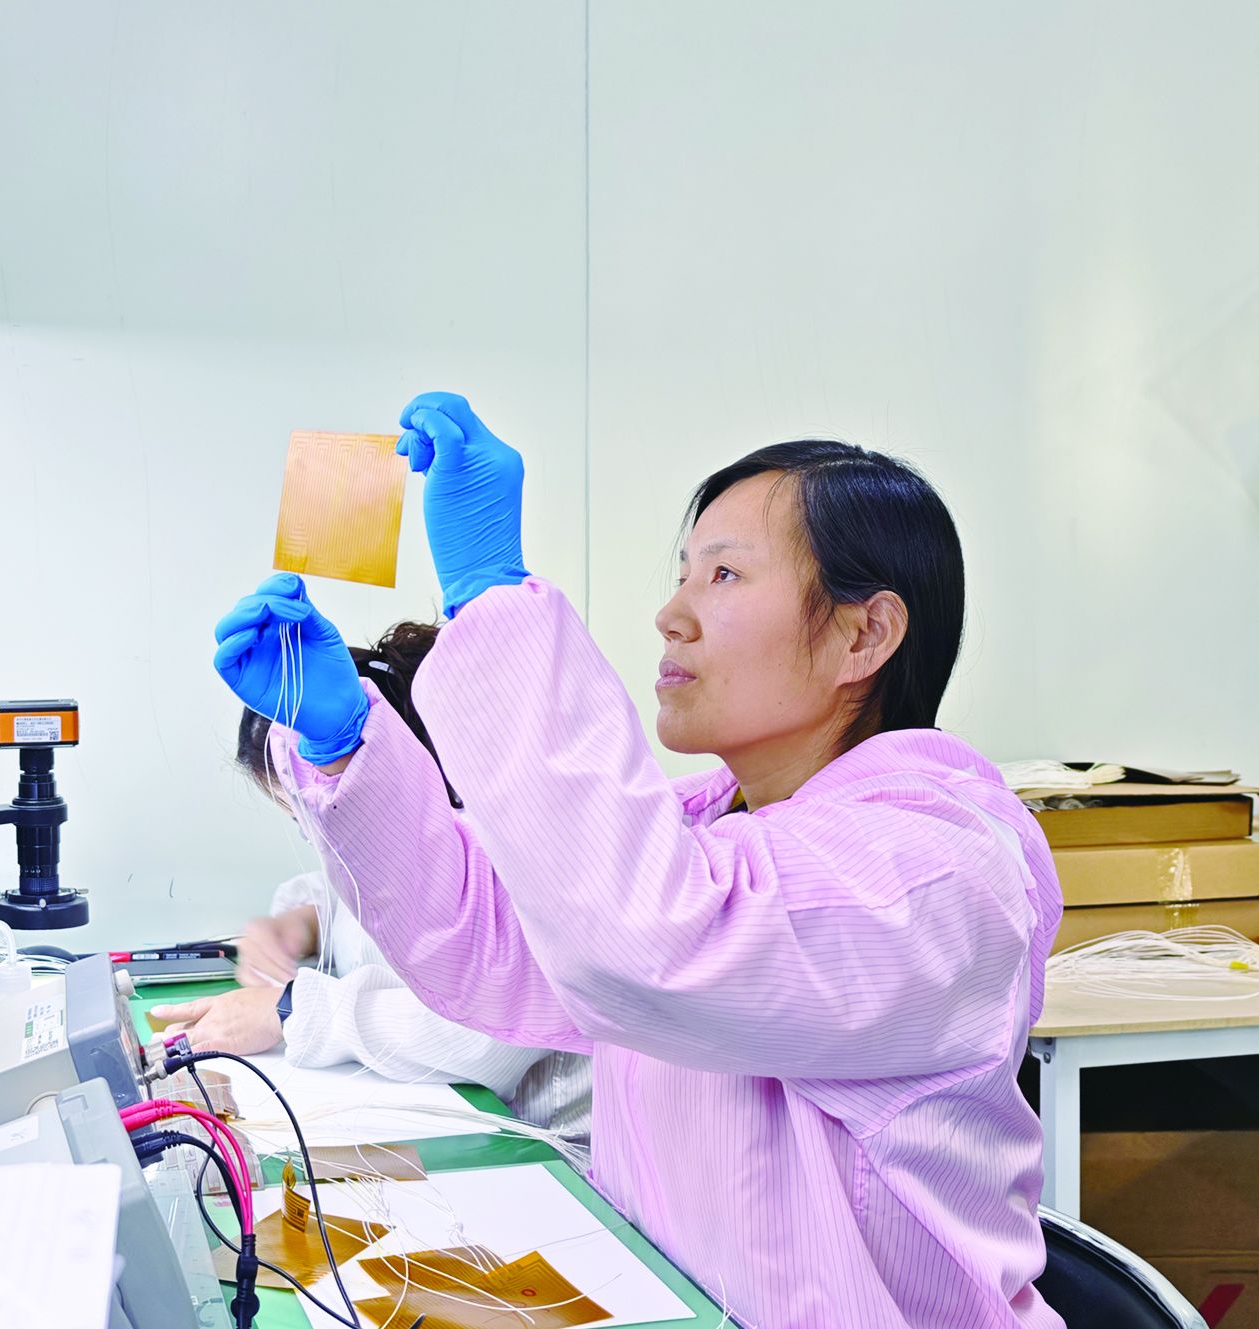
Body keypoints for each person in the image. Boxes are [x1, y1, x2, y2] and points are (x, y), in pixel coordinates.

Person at [210, 393, 1064, 1329]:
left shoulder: (931, 869)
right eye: (683, 573)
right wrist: (347, 748)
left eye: (724, 574)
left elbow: (654, 942)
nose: (671, 614)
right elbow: (491, 943)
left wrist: (491, 601)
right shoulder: (715, 828)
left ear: (864, 634)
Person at [154, 621, 592, 1143]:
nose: (318, 834)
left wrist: (291, 1010)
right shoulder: (400, 832)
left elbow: (490, 1034)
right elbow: (366, 896)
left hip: (562, 1159)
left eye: (311, 813)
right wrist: (302, 923)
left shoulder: (508, 840)